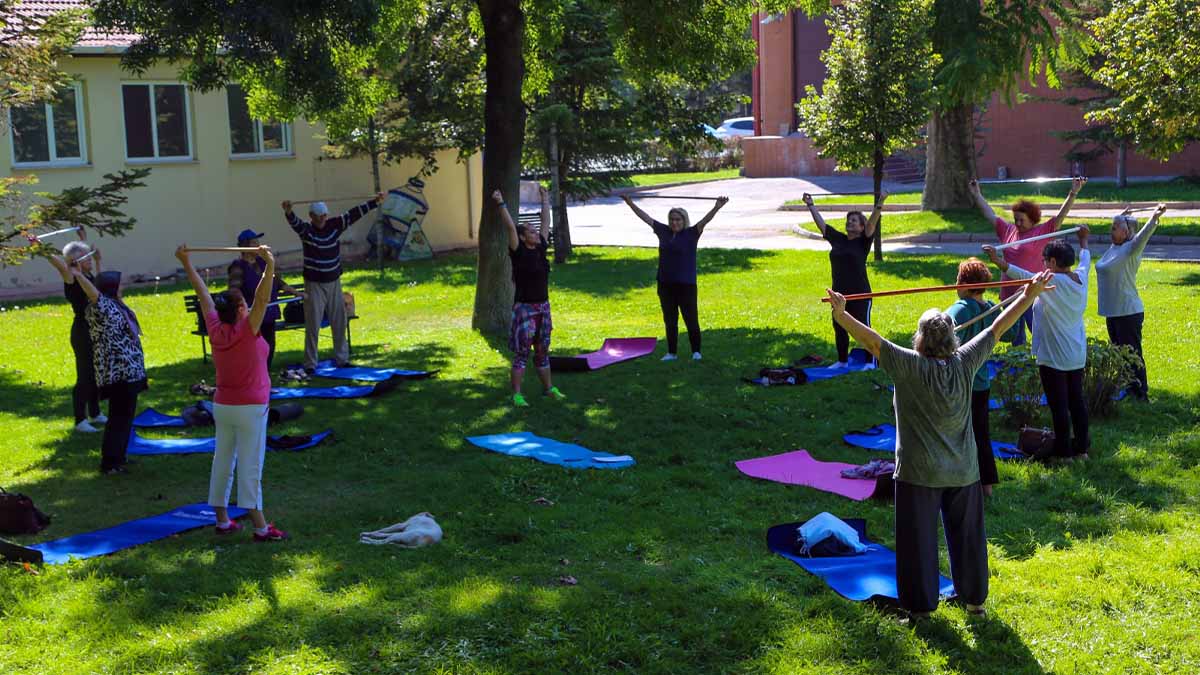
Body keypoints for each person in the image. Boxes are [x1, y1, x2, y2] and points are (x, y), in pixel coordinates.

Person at [826, 268, 1055, 620]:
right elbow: (998, 328)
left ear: (919, 338)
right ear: (952, 338)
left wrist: (841, 315)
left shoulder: (906, 364)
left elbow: (872, 341)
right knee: (969, 541)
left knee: (917, 545)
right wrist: (1030, 294)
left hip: (919, 474)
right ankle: (975, 603)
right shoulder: (965, 361)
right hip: (963, 471)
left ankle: (920, 609)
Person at [177, 244, 288, 542]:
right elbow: (264, 297)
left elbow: (203, 295)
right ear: (240, 310)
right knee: (250, 465)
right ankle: (262, 527)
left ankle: (223, 521)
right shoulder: (247, 328)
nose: (250, 306)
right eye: (245, 304)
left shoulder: (216, 326)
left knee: (223, 460)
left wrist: (187, 262)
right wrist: (270, 263)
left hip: (223, 406)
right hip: (250, 408)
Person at [984, 226, 1093, 461]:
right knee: (1076, 403)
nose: (1042, 264)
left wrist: (997, 260)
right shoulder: (1081, 277)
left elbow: (1019, 274)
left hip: (1054, 357)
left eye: (1044, 260)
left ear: (1053, 262)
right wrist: (1083, 241)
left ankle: (1064, 454)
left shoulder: (1050, 282)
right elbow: (1086, 259)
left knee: (1059, 407)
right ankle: (1082, 450)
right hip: (1075, 354)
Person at [969, 176, 1086, 345]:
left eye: (1021, 220)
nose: (1017, 223)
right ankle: (1018, 369)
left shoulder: (1042, 232)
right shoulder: (1008, 230)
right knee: (1016, 341)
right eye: (1015, 219)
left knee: (1041, 336)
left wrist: (1073, 192)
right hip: (1010, 294)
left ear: (1032, 219)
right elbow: (990, 213)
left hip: (1033, 294)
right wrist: (976, 194)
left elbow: (1060, 217)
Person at [282, 193, 384, 373]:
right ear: (311, 217)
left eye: (324, 216)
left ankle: (342, 359)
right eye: (318, 216)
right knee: (313, 325)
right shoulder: (307, 231)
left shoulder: (335, 225)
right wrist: (288, 211)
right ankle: (310, 364)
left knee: (339, 321)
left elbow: (354, 214)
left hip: (334, 282)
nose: (322, 219)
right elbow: (295, 224)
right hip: (314, 284)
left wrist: (374, 202)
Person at [621, 194, 730, 361]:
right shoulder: (663, 231)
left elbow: (705, 220)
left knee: (690, 318)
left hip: (686, 285)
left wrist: (717, 207)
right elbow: (645, 217)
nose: (674, 222)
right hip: (665, 284)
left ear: (684, 220)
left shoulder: (691, 233)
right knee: (670, 320)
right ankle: (672, 353)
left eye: (678, 219)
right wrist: (630, 203)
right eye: (672, 219)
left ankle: (696, 352)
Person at [946, 258, 1020, 497]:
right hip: (981, 382)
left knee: (957, 433)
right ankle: (985, 486)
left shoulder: (962, 308)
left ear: (965, 284)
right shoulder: (991, 308)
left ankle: (958, 483)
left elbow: (939, 329)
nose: (956, 285)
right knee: (980, 432)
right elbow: (1010, 335)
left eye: (958, 280)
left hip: (960, 381)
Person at [493, 187, 566, 407]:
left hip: (543, 307)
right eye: (531, 233)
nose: (537, 234)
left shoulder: (540, 248)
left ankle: (549, 388)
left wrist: (545, 200)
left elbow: (546, 223)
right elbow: (509, 227)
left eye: (536, 233)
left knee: (542, 350)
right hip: (524, 309)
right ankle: (517, 394)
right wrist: (500, 203)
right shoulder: (519, 251)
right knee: (522, 353)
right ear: (524, 238)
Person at [71, 266, 147, 474]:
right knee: (118, 419)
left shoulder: (114, 304)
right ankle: (110, 463)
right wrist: (77, 275)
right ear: (111, 288)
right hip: (119, 373)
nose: (124, 286)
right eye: (120, 283)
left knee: (126, 417)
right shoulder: (101, 306)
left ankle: (119, 457)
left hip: (130, 372)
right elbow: (95, 292)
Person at [802, 191, 888, 367]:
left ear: (862, 227)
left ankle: (871, 361)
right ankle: (842, 361)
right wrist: (811, 205)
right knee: (839, 326)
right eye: (848, 220)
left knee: (863, 327)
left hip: (860, 293)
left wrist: (880, 202)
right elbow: (822, 226)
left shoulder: (863, 242)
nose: (850, 222)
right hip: (839, 293)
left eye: (854, 220)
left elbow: (872, 223)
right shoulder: (839, 239)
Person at [1095, 204, 1166, 400]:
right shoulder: (1114, 249)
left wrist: (1153, 219)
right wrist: (1121, 216)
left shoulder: (1130, 249)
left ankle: (1141, 393)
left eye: (1115, 228)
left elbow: (1143, 236)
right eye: (1112, 227)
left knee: (1133, 356)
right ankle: (1127, 388)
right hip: (1112, 311)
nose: (1111, 230)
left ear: (1126, 232)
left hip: (1128, 311)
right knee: (1120, 356)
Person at [40, 237, 105, 433]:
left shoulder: (88, 275)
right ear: (74, 262)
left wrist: (98, 259)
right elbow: (59, 264)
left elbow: (101, 288)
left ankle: (95, 413)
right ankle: (80, 420)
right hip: (82, 331)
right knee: (84, 375)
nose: (89, 261)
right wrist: (41, 247)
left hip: (96, 329)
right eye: (85, 259)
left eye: (89, 258)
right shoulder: (71, 277)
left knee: (96, 374)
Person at [227, 228, 301, 368]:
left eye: (258, 241)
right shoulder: (238, 267)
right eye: (255, 242)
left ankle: (264, 376)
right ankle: (255, 375)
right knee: (255, 348)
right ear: (245, 246)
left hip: (269, 313)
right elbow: (234, 291)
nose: (259, 245)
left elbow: (278, 282)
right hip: (252, 315)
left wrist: (297, 293)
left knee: (269, 346)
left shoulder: (263, 262)